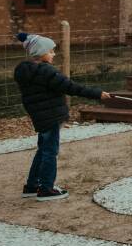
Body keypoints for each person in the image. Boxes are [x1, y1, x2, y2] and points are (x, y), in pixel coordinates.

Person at [13, 32, 110, 201]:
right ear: (40, 52)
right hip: (50, 117)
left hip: (40, 116)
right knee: (50, 152)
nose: (53, 54)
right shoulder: (46, 72)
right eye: (50, 51)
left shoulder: (25, 72)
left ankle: (32, 185)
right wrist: (98, 94)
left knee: (42, 150)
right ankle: (46, 189)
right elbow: (71, 87)